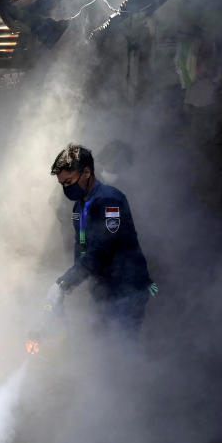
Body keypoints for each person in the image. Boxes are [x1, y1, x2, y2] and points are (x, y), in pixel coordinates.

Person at [45, 143, 157, 341]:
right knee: (101, 341)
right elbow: (81, 245)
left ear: (87, 172)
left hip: (125, 287)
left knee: (121, 345)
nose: (66, 189)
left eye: (69, 181)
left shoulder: (110, 200)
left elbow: (103, 247)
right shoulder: (80, 205)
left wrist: (66, 282)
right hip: (103, 285)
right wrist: (73, 281)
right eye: (63, 184)